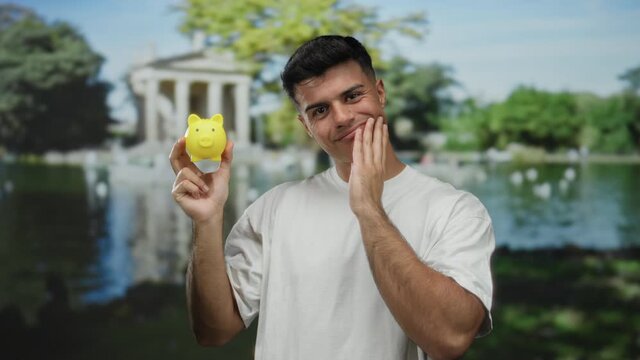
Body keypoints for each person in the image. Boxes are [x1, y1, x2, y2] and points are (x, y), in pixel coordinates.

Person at [170, 35, 494, 360]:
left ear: (380, 93)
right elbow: (213, 330)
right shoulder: (274, 208)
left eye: (353, 95)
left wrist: (368, 208)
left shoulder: (454, 209)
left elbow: (449, 339)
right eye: (320, 110)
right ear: (306, 126)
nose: (341, 117)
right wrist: (208, 221)